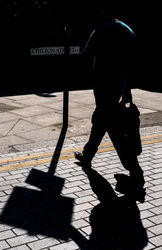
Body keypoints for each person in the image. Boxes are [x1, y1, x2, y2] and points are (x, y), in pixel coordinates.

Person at [74, 3, 145, 202]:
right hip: (120, 87)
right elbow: (131, 62)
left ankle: (136, 173)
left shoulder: (100, 31)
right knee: (102, 122)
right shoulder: (127, 30)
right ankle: (88, 156)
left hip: (103, 85)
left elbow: (86, 55)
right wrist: (128, 89)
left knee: (113, 128)